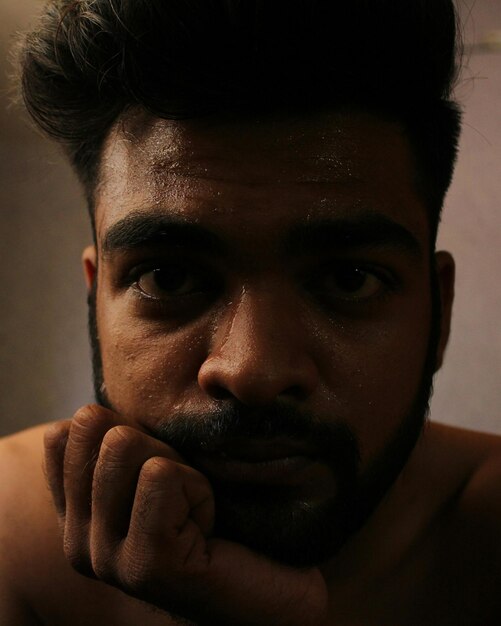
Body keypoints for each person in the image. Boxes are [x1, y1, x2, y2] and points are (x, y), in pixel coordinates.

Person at [1, 0, 500, 624]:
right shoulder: (8, 538)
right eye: (169, 275)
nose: (253, 369)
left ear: (440, 310)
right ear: (95, 299)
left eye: (348, 280)